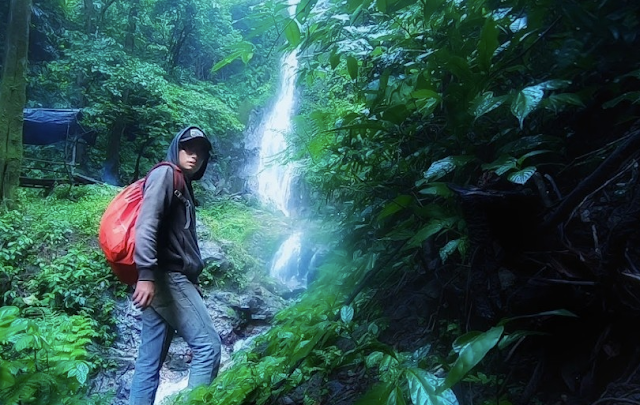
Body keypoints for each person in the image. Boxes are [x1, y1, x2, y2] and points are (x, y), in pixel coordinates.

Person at [128, 126, 222, 405]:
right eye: (188, 149)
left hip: (165, 278)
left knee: (149, 361)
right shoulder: (166, 174)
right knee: (208, 348)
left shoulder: (182, 183)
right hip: (165, 278)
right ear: (176, 148)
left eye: (200, 152)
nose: (194, 156)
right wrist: (145, 275)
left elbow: (178, 240)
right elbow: (147, 224)